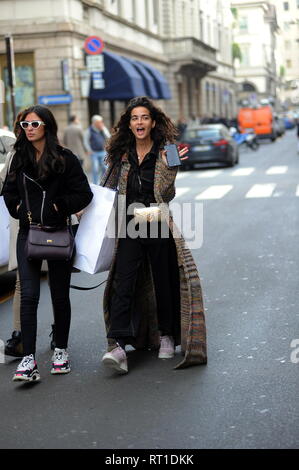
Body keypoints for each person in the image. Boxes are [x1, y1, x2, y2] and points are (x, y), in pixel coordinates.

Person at [100, 96, 207, 374]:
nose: (139, 122)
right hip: (128, 224)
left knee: (164, 279)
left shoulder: (168, 150)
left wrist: (169, 169)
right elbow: (107, 187)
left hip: (157, 221)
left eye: (144, 117)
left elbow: (168, 194)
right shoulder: (119, 153)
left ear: (153, 122)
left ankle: (167, 335)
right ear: (129, 123)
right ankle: (119, 345)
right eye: (134, 118)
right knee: (122, 282)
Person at [2, 105, 93, 383]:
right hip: (28, 233)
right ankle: (28, 359)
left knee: (58, 294)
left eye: (34, 124)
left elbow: (83, 194)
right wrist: (18, 208)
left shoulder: (65, 159)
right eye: (24, 125)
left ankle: (61, 350)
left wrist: (57, 207)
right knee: (29, 296)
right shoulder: (19, 157)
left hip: (57, 233)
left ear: (47, 127)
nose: (28, 129)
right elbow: (8, 190)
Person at [84, 115, 110, 184]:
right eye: (99, 122)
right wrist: (89, 149)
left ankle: (104, 182)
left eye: (101, 122)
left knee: (105, 167)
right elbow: (85, 141)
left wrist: (103, 130)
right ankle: (96, 183)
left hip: (103, 152)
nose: (101, 123)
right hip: (94, 153)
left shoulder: (103, 128)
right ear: (94, 123)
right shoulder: (89, 130)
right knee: (95, 169)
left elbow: (108, 137)